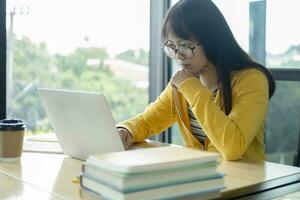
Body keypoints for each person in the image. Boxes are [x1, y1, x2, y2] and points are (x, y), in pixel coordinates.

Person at [117, 0, 275, 161]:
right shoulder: (184, 83)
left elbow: (232, 147)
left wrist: (192, 89)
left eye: (185, 45)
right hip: (199, 179)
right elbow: (147, 121)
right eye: (172, 47)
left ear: (211, 40)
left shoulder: (251, 80)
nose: (178, 56)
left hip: (247, 181)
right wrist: (126, 130)